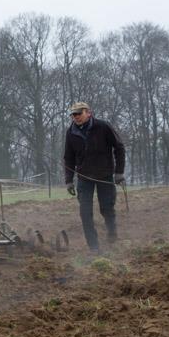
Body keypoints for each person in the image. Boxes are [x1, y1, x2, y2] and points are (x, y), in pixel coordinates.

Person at [63, 102, 126, 252]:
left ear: (88, 112)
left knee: (107, 208)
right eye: (73, 114)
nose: (76, 117)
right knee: (85, 213)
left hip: (104, 176)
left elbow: (119, 147)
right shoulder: (70, 132)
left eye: (79, 113)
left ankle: (112, 233)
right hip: (84, 178)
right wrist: (69, 180)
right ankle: (94, 247)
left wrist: (119, 172)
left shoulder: (103, 127)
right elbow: (69, 157)